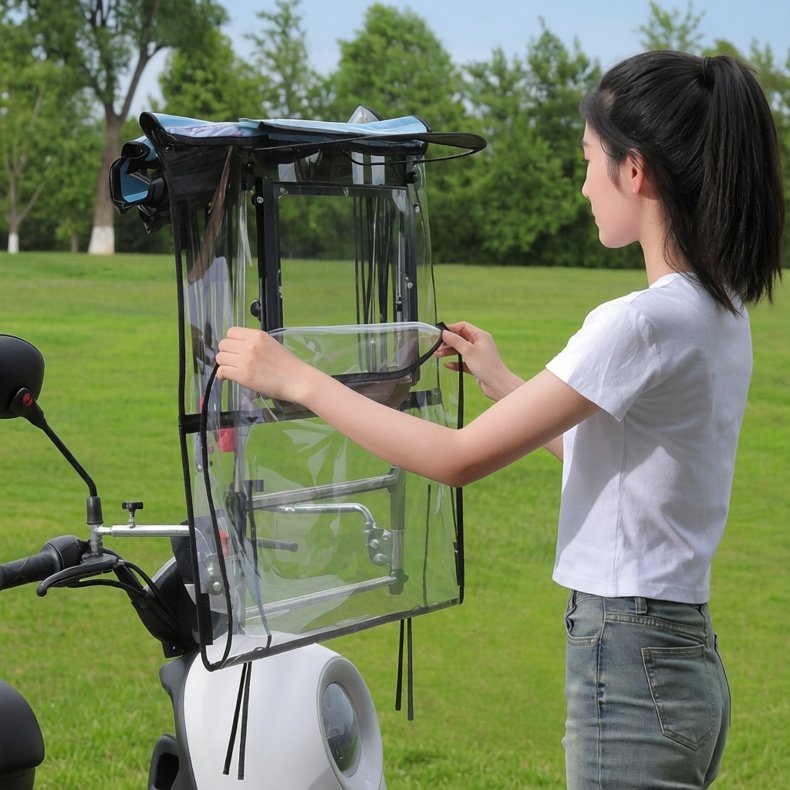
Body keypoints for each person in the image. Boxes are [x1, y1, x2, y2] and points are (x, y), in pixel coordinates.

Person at [217, 50, 784, 789]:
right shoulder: (719, 310)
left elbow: (456, 460)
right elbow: (626, 467)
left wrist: (298, 379)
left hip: (630, 658)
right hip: (682, 657)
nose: (584, 185)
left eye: (588, 161)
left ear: (635, 171)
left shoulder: (640, 322)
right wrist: (507, 385)